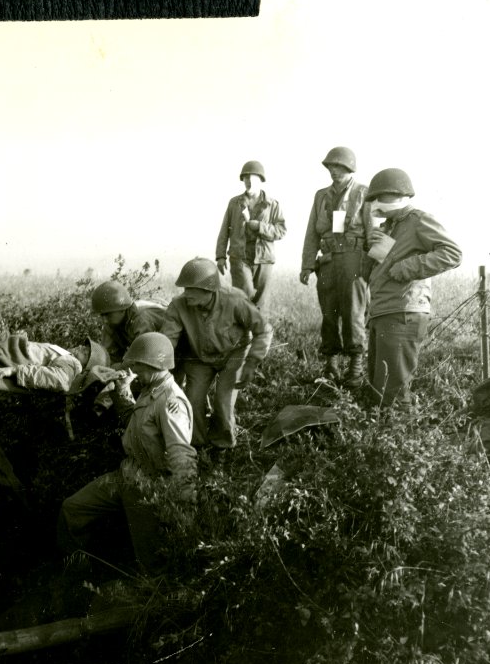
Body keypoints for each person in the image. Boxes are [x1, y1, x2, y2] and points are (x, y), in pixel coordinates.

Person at [60, 333, 196, 574]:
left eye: (138, 366)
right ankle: (75, 573)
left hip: (148, 488)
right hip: (127, 474)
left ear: (155, 365)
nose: (133, 370)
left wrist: (183, 502)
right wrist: (121, 391)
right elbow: (133, 424)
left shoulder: (170, 402)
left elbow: (180, 454)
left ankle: (152, 600)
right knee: (73, 509)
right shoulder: (149, 387)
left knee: (150, 562)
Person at [363, 168, 462, 408]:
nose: (375, 204)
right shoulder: (390, 226)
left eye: (379, 198)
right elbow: (381, 271)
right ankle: (385, 440)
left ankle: (400, 438)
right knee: (380, 389)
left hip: (402, 312)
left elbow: (452, 253)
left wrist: (406, 267)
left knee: (393, 394)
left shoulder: (417, 219)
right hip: (383, 311)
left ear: (396, 195)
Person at [160, 258, 273, 452]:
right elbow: (166, 340)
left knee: (223, 400)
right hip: (200, 357)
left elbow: (263, 330)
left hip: (234, 354)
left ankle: (223, 446)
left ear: (209, 290)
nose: (186, 294)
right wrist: (159, 364)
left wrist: (252, 362)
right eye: (185, 289)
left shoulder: (235, 300)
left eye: (191, 289)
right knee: (192, 400)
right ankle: (197, 445)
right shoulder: (179, 305)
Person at [300, 146, 373, 385]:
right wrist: (307, 265)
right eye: (331, 167)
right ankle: (330, 365)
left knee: (353, 313)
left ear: (349, 168)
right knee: (329, 313)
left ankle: (356, 367)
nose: (334, 171)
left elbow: (374, 232)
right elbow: (312, 232)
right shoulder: (321, 196)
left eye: (339, 167)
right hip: (328, 260)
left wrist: (375, 266)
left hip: (354, 259)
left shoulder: (364, 193)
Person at [215, 160, 287, 309]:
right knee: (243, 298)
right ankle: (244, 333)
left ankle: (259, 332)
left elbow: (281, 230)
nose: (248, 181)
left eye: (252, 177)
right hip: (240, 257)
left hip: (263, 259)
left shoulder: (272, 205)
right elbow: (224, 231)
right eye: (245, 178)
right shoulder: (234, 203)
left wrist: (260, 227)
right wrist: (220, 256)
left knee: (260, 303)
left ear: (260, 180)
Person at [89, 280, 167, 366]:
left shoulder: (141, 319)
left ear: (122, 309)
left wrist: (123, 367)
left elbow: (145, 356)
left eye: (107, 315)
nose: (104, 320)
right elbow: (108, 357)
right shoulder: (111, 323)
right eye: (102, 315)